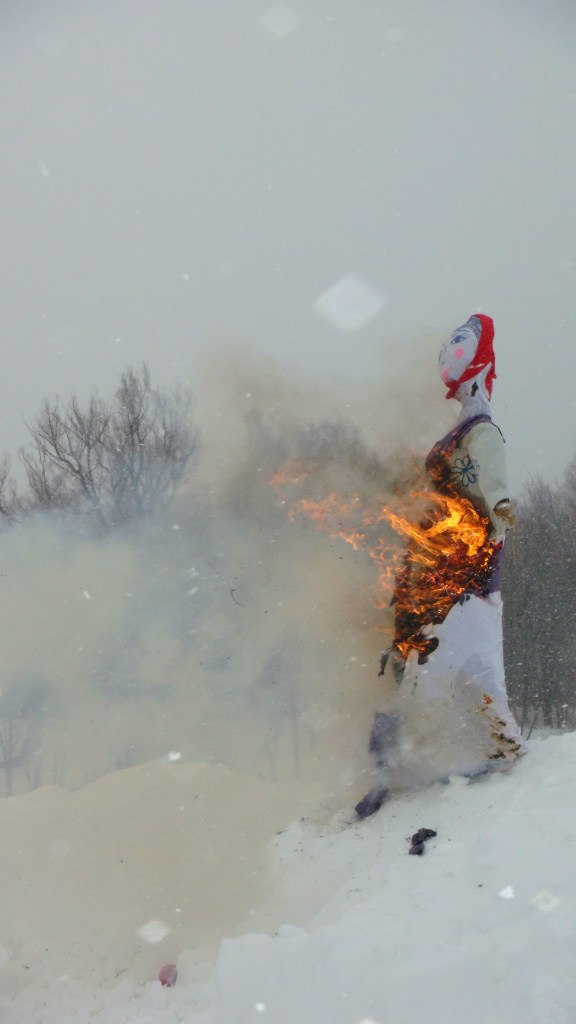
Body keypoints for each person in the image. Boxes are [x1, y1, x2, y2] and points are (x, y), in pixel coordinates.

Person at [356, 314, 525, 817]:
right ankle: (489, 752)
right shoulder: (459, 434)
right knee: (451, 670)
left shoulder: (481, 433)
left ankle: (398, 771)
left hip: (463, 578)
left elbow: (496, 490)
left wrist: (499, 511)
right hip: (446, 574)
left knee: (437, 672)